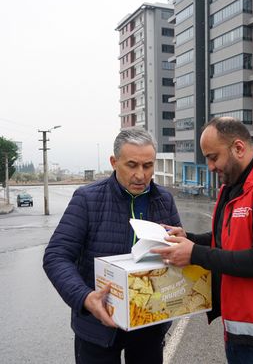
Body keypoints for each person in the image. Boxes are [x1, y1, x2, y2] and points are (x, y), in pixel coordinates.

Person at [151, 117, 253, 364]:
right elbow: (226, 239)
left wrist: (194, 253)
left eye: (213, 157)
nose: (209, 166)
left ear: (238, 148)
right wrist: (190, 239)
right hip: (240, 327)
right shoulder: (233, 188)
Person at [43, 127, 181, 364]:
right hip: (98, 325)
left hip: (149, 321)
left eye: (148, 166)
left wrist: (181, 245)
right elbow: (56, 256)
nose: (140, 174)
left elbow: (176, 253)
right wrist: (85, 298)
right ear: (114, 162)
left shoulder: (163, 199)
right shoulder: (88, 199)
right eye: (132, 165)